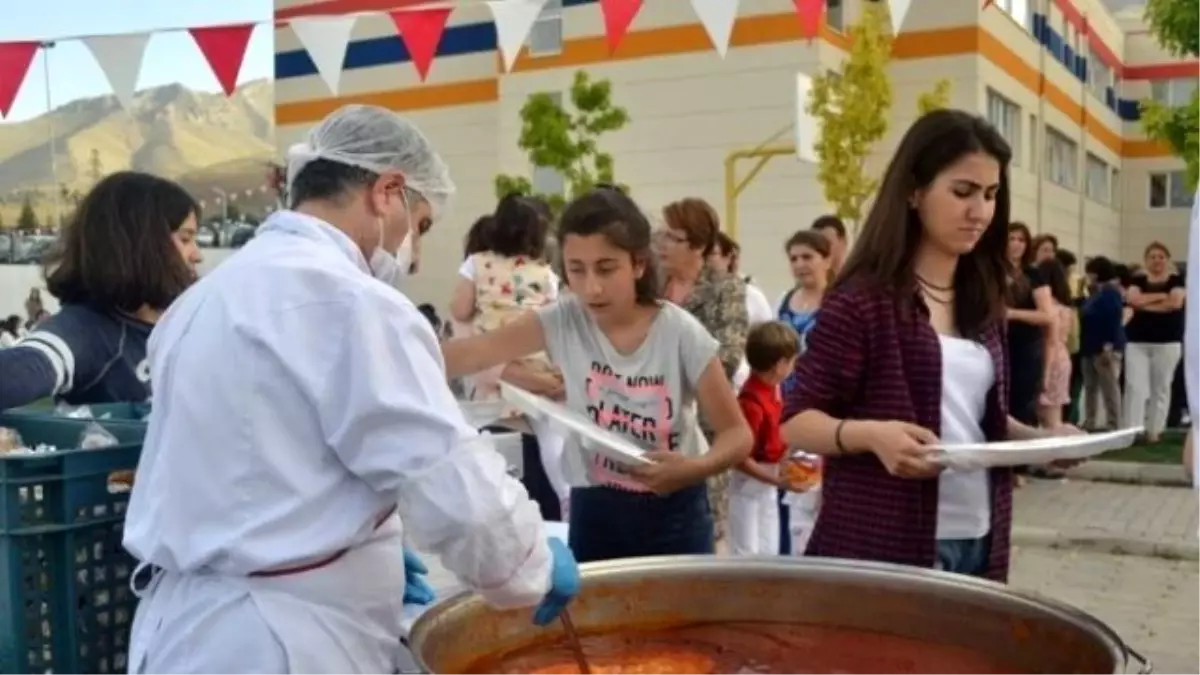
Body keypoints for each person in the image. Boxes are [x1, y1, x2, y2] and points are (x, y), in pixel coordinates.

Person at [122, 105, 578, 674]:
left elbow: (269, 463)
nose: (416, 252)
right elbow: (449, 478)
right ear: (388, 191)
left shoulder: (203, 300)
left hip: (184, 629)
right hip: (281, 640)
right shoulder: (352, 301)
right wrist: (530, 560)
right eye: (423, 225)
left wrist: (363, 539)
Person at [781, 109, 1078, 581]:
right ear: (915, 191)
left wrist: (1042, 442)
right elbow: (797, 421)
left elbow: (979, 422)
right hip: (882, 541)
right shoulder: (863, 300)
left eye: (990, 195)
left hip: (979, 536)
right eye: (962, 192)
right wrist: (872, 437)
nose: (979, 211)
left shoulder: (983, 298)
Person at [442, 187, 752, 563]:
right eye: (576, 269)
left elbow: (737, 434)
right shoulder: (563, 320)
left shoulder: (680, 332)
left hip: (676, 512)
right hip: (596, 505)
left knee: (677, 621)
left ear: (638, 264)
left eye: (606, 268)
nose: (592, 287)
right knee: (598, 620)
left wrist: (693, 468)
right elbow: (473, 353)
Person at [0, 172, 202, 410]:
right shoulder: (89, 331)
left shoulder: (188, 323)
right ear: (142, 245)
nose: (197, 255)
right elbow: (23, 368)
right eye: (185, 239)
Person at [449, 193, 570, 520]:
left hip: (496, 381)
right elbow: (556, 321)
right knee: (553, 445)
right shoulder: (546, 274)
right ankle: (566, 496)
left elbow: (459, 309)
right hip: (538, 362)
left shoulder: (476, 264)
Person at [728, 321, 801, 556]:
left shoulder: (774, 391)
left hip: (768, 481)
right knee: (746, 550)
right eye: (791, 361)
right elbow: (741, 459)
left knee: (769, 548)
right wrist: (776, 480)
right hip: (751, 482)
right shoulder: (752, 402)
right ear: (780, 365)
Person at [1124, 241, 1186, 443]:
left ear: (1167, 260)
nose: (1156, 260)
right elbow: (1133, 300)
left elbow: (1175, 303)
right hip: (1137, 341)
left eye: (1161, 256)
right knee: (1135, 386)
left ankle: (1155, 430)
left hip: (1167, 342)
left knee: (1161, 386)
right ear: (1145, 260)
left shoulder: (1177, 280)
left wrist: (1145, 303)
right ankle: (1132, 430)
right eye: (1152, 256)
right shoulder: (1137, 280)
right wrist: (1160, 297)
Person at [1080, 256, 1125, 431]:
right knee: (1090, 387)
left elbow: (1113, 319)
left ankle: (1114, 423)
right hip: (1089, 346)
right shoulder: (1093, 293)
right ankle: (1090, 420)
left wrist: (1108, 345)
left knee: (1109, 387)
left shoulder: (1110, 293)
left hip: (1104, 347)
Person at [1036, 258, 1074, 430]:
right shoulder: (1066, 308)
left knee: (1050, 421)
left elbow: (1049, 341)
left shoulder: (1048, 308)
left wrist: (1045, 372)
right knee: (1054, 415)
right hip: (1063, 356)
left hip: (1049, 358)